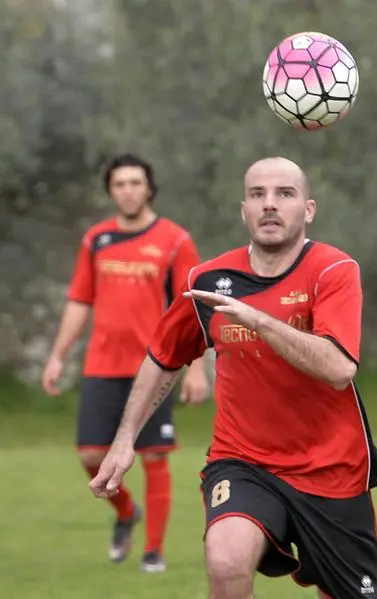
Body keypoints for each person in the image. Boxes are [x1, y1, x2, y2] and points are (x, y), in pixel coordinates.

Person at [88, 157, 377, 599]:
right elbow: (163, 356)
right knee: (225, 562)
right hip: (244, 462)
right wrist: (125, 438)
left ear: (308, 209)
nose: (269, 205)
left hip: (332, 470)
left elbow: (339, 369)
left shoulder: (333, 271)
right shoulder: (209, 281)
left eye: (285, 194)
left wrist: (259, 320)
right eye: (257, 195)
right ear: (242, 209)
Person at [42, 153, 210, 572]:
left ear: (149, 188)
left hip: (154, 366)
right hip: (101, 365)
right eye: (120, 184)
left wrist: (197, 367)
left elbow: (194, 308)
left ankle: (153, 552)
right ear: (111, 191)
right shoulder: (96, 239)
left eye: (136, 182)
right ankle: (125, 512)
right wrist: (58, 355)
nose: (128, 190)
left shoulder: (174, 240)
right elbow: (80, 300)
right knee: (90, 454)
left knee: (154, 455)